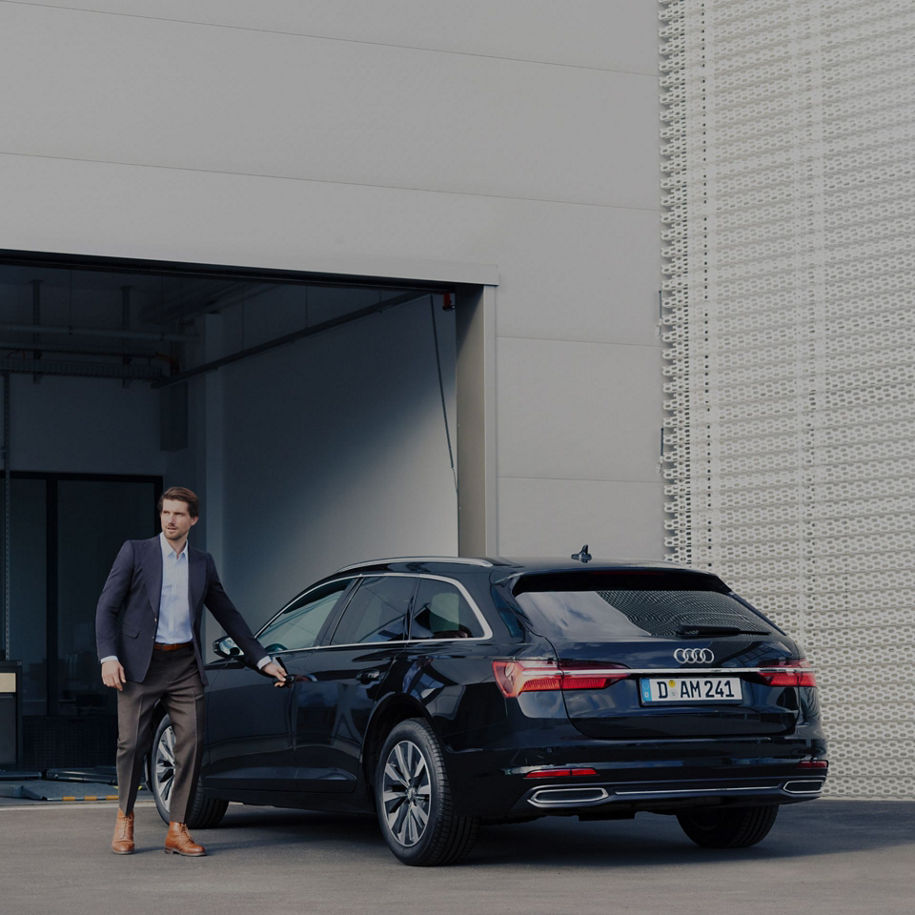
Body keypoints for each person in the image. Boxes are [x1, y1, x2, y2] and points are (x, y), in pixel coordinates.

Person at [95, 486, 287, 857]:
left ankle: (177, 828)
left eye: (178, 514)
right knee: (131, 745)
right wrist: (108, 657)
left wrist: (262, 659)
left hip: (183, 663)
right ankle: (124, 817)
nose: (170, 520)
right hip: (139, 665)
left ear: (193, 520)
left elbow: (227, 613)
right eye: (166, 513)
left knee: (191, 743)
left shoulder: (202, 562)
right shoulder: (136, 552)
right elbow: (106, 607)